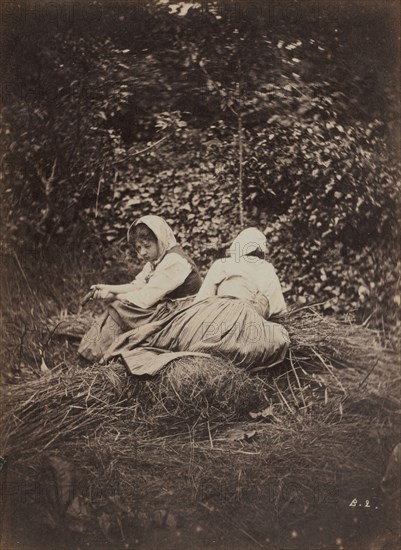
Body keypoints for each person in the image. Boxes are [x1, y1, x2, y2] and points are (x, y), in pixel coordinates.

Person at [104, 228, 290, 375]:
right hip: (248, 316)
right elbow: (279, 310)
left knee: (178, 335)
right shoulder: (267, 269)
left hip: (216, 309)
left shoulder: (223, 264)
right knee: (269, 340)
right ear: (261, 251)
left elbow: (203, 298)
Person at [78, 215, 202, 361]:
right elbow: (138, 285)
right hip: (167, 306)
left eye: (147, 246)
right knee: (120, 308)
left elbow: (145, 299)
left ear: (160, 241)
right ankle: (93, 353)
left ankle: (98, 355)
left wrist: (112, 295)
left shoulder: (174, 261)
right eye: (138, 248)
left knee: (121, 308)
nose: (142, 252)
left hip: (183, 312)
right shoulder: (158, 260)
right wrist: (107, 288)